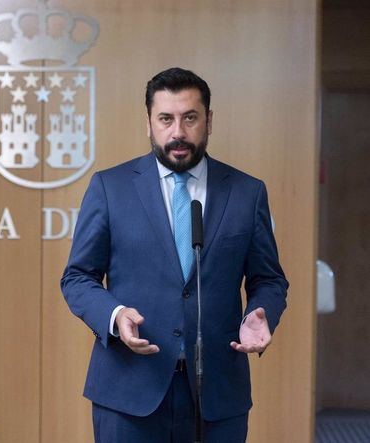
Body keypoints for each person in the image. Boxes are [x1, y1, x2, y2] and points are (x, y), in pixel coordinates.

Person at [60, 67, 288, 442]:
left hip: (217, 396)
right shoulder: (109, 187)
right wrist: (114, 316)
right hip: (129, 393)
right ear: (149, 123)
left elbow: (269, 278)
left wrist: (262, 313)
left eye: (190, 118)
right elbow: (77, 277)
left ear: (208, 121)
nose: (178, 132)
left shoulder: (247, 192)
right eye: (166, 118)